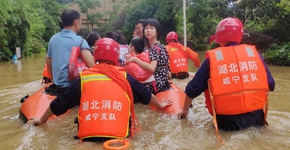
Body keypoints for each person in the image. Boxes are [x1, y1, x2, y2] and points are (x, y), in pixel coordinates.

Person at [29, 38, 173, 140]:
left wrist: (42, 119)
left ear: (96, 55)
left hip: (87, 138)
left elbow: (61, 102)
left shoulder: (84, 77)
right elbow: (145, 95)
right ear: (116, 56)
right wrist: (160, 105)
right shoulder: (125, 76)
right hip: (120, 138)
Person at [178, 18, 275, 140]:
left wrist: (184, 109)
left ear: (218, 37)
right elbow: (271, 84)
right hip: (257, 119)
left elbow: (193, 89)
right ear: (240, 35)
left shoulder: (213, 59)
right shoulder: (255, 55)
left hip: (227, 123)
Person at [46, 9, 94, 91]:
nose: (81, 24)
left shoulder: (53, 39)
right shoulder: (80, 41)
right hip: (73, 87)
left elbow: (48, 60)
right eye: (80, 21)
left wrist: (55, 79)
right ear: (76, 22)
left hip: (58, 85)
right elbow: (92, 65)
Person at [126, 19, 170, 94]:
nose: (148, 30)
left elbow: (151, 68)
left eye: (152, 28)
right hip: (162, 82)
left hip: (156, 84)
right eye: (146, 28)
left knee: (129, 81)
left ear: (157, 32)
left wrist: (134, 59)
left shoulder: (154, 48)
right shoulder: (161, 46)